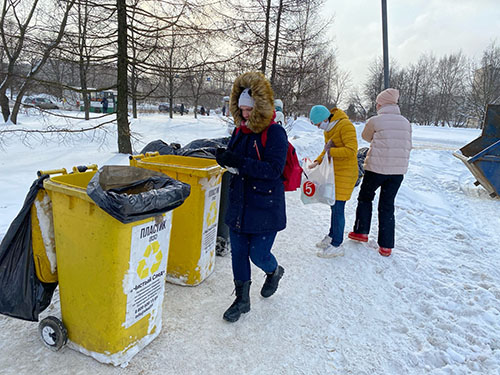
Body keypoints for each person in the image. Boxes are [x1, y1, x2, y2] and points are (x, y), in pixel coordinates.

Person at [215, 71, 288, 323]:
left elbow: (273, 170)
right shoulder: (239, 131)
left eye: (249, 110)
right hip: (239, 202)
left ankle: (274, 271)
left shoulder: (275, 133)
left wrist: (240, 162)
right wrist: (225, 158)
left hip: (265, 205)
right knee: (238, 253)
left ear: (260, 107)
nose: (245, 115)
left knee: (258, 254)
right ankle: (241, 300)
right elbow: (236, 161)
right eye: (241, 109)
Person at [348, 88, 412, 257]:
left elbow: (366, 137)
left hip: (376, 168)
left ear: (381, 103)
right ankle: (386, 245)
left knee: (365, 197)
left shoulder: (376, 121)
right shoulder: (405, 122)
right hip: (398, 172)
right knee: (387, 205)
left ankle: (361, 231)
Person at [309, 105, 358, 258]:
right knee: (333, 205)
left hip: (346, 173)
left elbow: (351, 150)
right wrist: (317, 161)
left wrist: (331, 152)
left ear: (325, 118)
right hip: (335, 173)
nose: (318, 128)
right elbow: (326, 150)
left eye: (318, 124)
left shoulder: (345, 125)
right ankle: (332, 235)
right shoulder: (328, 129)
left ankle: (337, 244)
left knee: (338, 208)